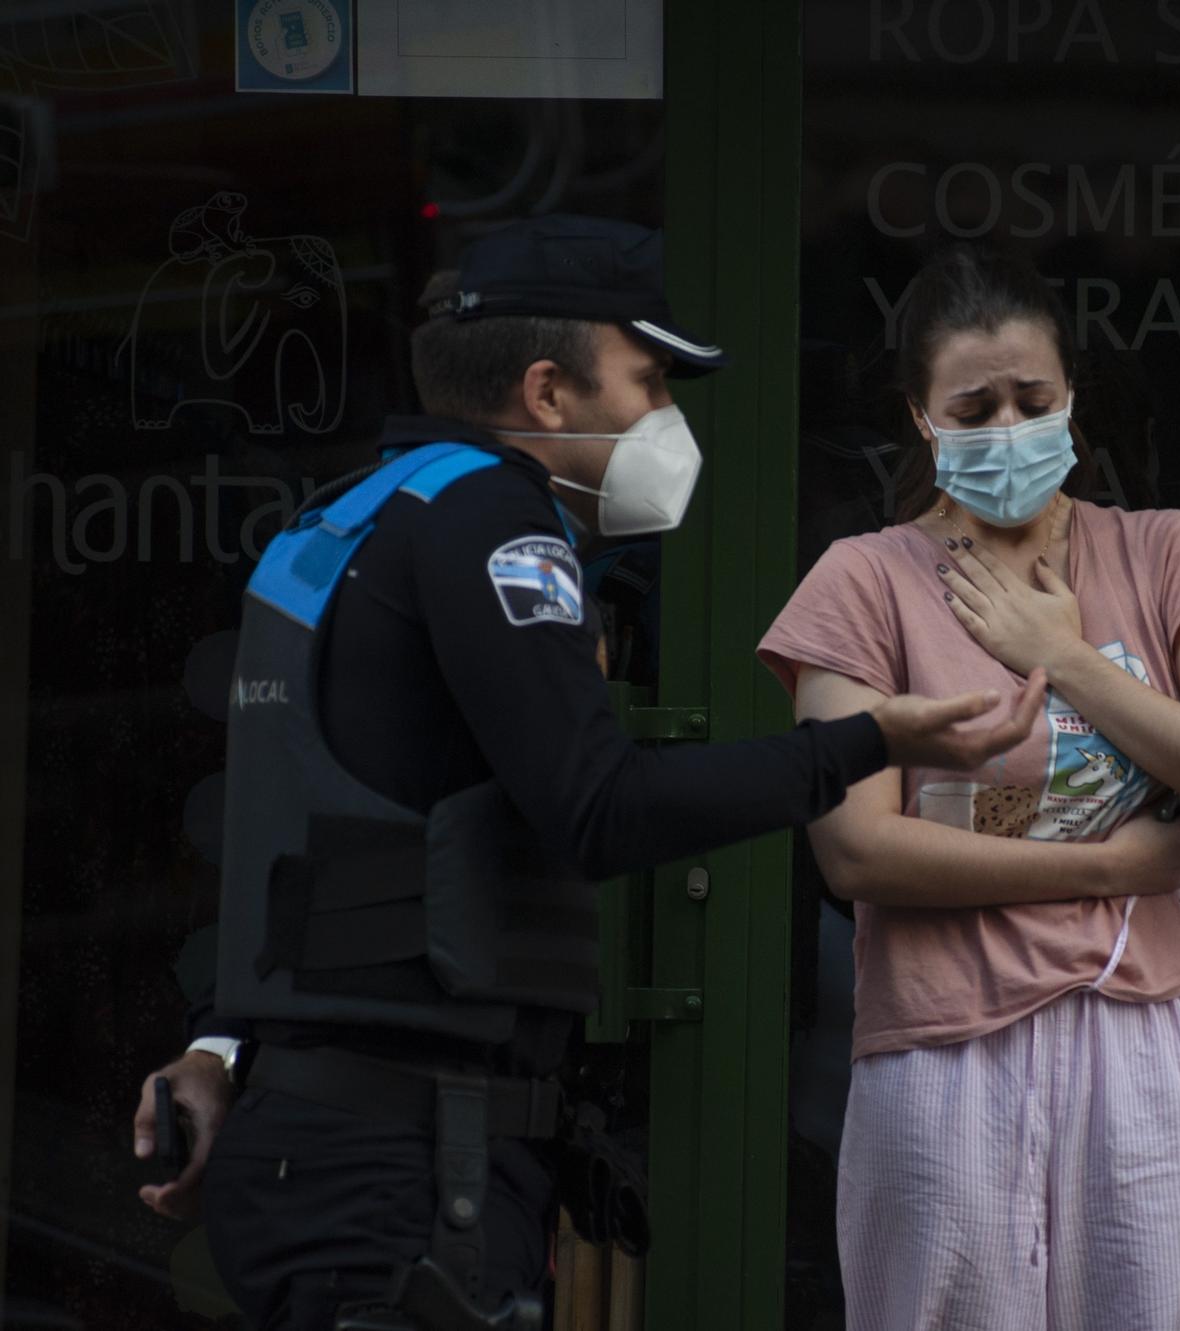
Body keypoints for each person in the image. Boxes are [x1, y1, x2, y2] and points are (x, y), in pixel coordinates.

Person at [129, 215, 1045, 1330]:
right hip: (402, 1173)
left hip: (326, 1146)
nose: (663, 415)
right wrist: (868, 743)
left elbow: (306, 834)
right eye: (648, 380)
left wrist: (219, 1041)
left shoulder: (358, 511)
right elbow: (598, 807)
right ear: (548, 392)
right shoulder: (491, 518)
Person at [756, 244, 1180, 1330]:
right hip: (944, 1046)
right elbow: (857, 851)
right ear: (919, 414)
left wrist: (1073, 657)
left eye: (1030, 398)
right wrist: (1110, 864)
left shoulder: (1166, 554)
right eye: (973, 404)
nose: (1007, 427)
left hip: (1142, 1042)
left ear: (1071, 397)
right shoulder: (860, 583)